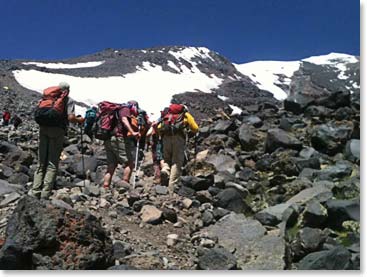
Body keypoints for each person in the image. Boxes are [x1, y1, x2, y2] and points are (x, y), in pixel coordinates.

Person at [29, 82, 85, 199]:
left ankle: (35, 190)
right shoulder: (67, 100)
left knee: (41, 162)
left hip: (43, 129)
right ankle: (45, 193)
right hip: (57, 131)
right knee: (52, 163)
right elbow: (70, 117)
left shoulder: (48, 98)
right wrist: (79, 120)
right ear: (67, 90)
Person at [158, 102, 199, 193]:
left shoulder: (168, 115)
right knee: (176, 162)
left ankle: (165, 170)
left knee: (166, 158)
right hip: (178, 138)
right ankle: (171, 187)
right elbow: (195, 128)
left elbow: (159, 127)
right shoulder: (185, 115)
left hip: (166, 138)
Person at [103, 100, 140, 188]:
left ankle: (106, 186)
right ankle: (124, 187)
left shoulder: (116, 110)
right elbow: (124, 119)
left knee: (111, 164)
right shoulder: (125, 109)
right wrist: (132, 132)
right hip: (119, 138)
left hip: (109, 138)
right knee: (129, 163)